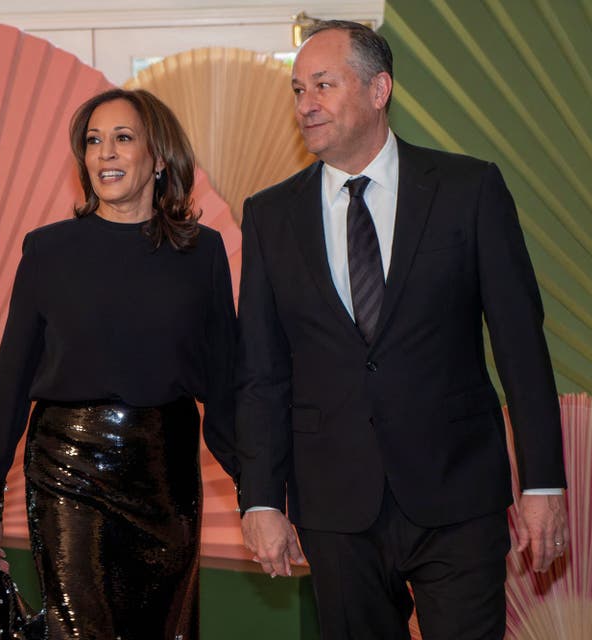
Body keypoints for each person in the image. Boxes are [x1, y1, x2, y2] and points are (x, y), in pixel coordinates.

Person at [235, 20, 569, 640]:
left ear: (379, 88)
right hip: (334, 504)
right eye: (297, 89)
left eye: (323, 85)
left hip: (458, 493)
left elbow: (521, 348)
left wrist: (543, 483)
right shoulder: (269, 216)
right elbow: (260, 372)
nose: (306, 103)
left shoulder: (469, 190)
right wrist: (260, 500)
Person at [0, 88, 237, 640]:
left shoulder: (202, 253)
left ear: (159, 157)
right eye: (93, 141)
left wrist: (260, 494)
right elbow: (12, 378)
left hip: (167, 476)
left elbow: (228, 387)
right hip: (67, 468)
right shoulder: (47, 250)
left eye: (122, 139)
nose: (104, 154)